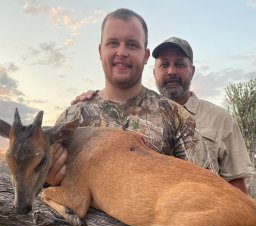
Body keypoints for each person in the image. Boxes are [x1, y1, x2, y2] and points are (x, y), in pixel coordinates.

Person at [72, 37, 254, 193]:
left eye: (180, 64)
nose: (171, 71)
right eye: (164, 64)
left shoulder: (220, 119)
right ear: (154, 72)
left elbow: (237, 185)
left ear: (192, 70)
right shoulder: (131, 112)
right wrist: (89, 103)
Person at [46, 10, 199, 187]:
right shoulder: (70, 119)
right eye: (113, 43)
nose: (121, 52)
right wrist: (47, 180)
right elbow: (39, 194)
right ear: (100, 50)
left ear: (146, 56)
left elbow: (205, 191)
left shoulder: (177, 116)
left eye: (132, 45)